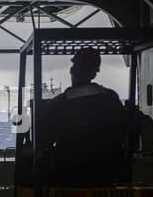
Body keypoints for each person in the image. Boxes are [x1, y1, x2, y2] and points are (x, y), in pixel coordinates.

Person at [39, 47, 126, 187]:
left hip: (70, 171)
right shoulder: (111, 98)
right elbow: (122, 130)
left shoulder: (60, 103)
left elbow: (46, 140)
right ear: (95, 71)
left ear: (73, 71)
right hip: (107, 170)